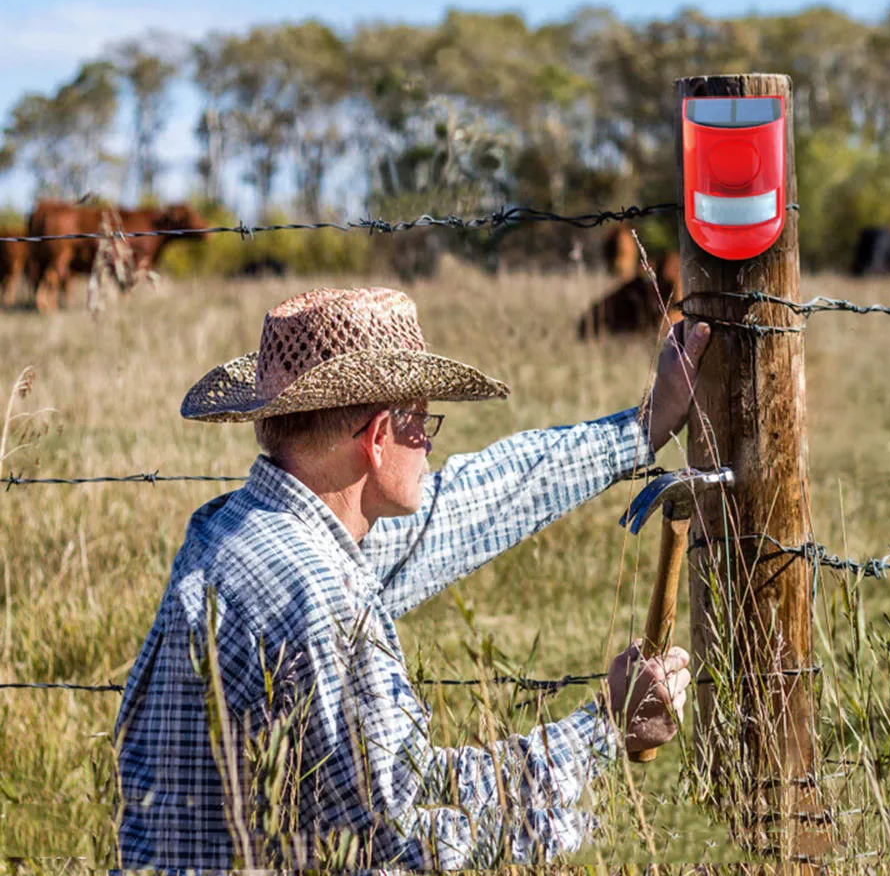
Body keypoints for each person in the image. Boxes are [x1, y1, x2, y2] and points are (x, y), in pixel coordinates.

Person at [115, 286, 711, 870]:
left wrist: (643, 428)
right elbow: (405, 836)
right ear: (378, 439)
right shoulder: (321, 595)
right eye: (423, 421)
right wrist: (604, 729)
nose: (427, 445)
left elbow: (469, 505)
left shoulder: (234, 530)